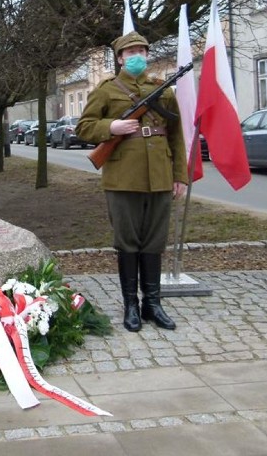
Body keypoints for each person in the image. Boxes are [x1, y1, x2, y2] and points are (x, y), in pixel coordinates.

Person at [76, 32, 188, 332]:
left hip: (160, 176)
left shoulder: (162, 90)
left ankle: (153, 303)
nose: (137, 55)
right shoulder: (108, 90)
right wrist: (111, 126)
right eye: (131, 52)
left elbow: (176, 134)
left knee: (154, 241)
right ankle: (131, 306)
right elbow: (84, 127)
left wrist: (180, 175)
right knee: (128, 242)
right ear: (121, 58)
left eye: (142, 50)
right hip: (123, 177)